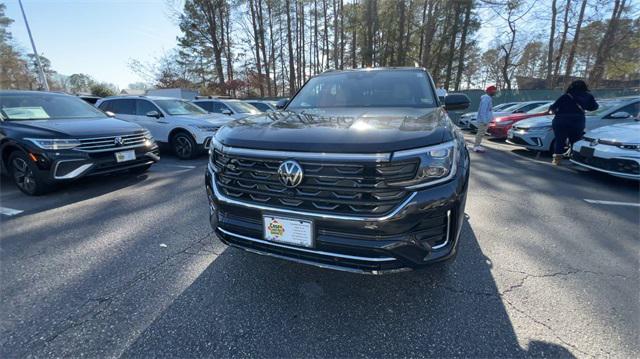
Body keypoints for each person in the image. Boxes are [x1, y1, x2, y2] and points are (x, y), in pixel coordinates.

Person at [548, 80, 598, 165]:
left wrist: (555, 111)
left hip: (561, 120)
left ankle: (557, 160)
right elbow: (594, 107)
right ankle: (574, 158)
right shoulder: (588, 96)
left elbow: (553, 108)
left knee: (560, 140)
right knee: (575, 140)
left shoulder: (566, 96)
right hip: (577, 121)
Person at [473, 85, 497, 153]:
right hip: (483, 120)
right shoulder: (486, 99)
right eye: (493, 91)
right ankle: (476, 146)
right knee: (480, 133)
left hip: (484, 120)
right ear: (490, 91)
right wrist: (485, 120)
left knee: (481, 133)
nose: (495, 92)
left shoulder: (488, 98)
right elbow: (483, 111)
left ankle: (477, 145)